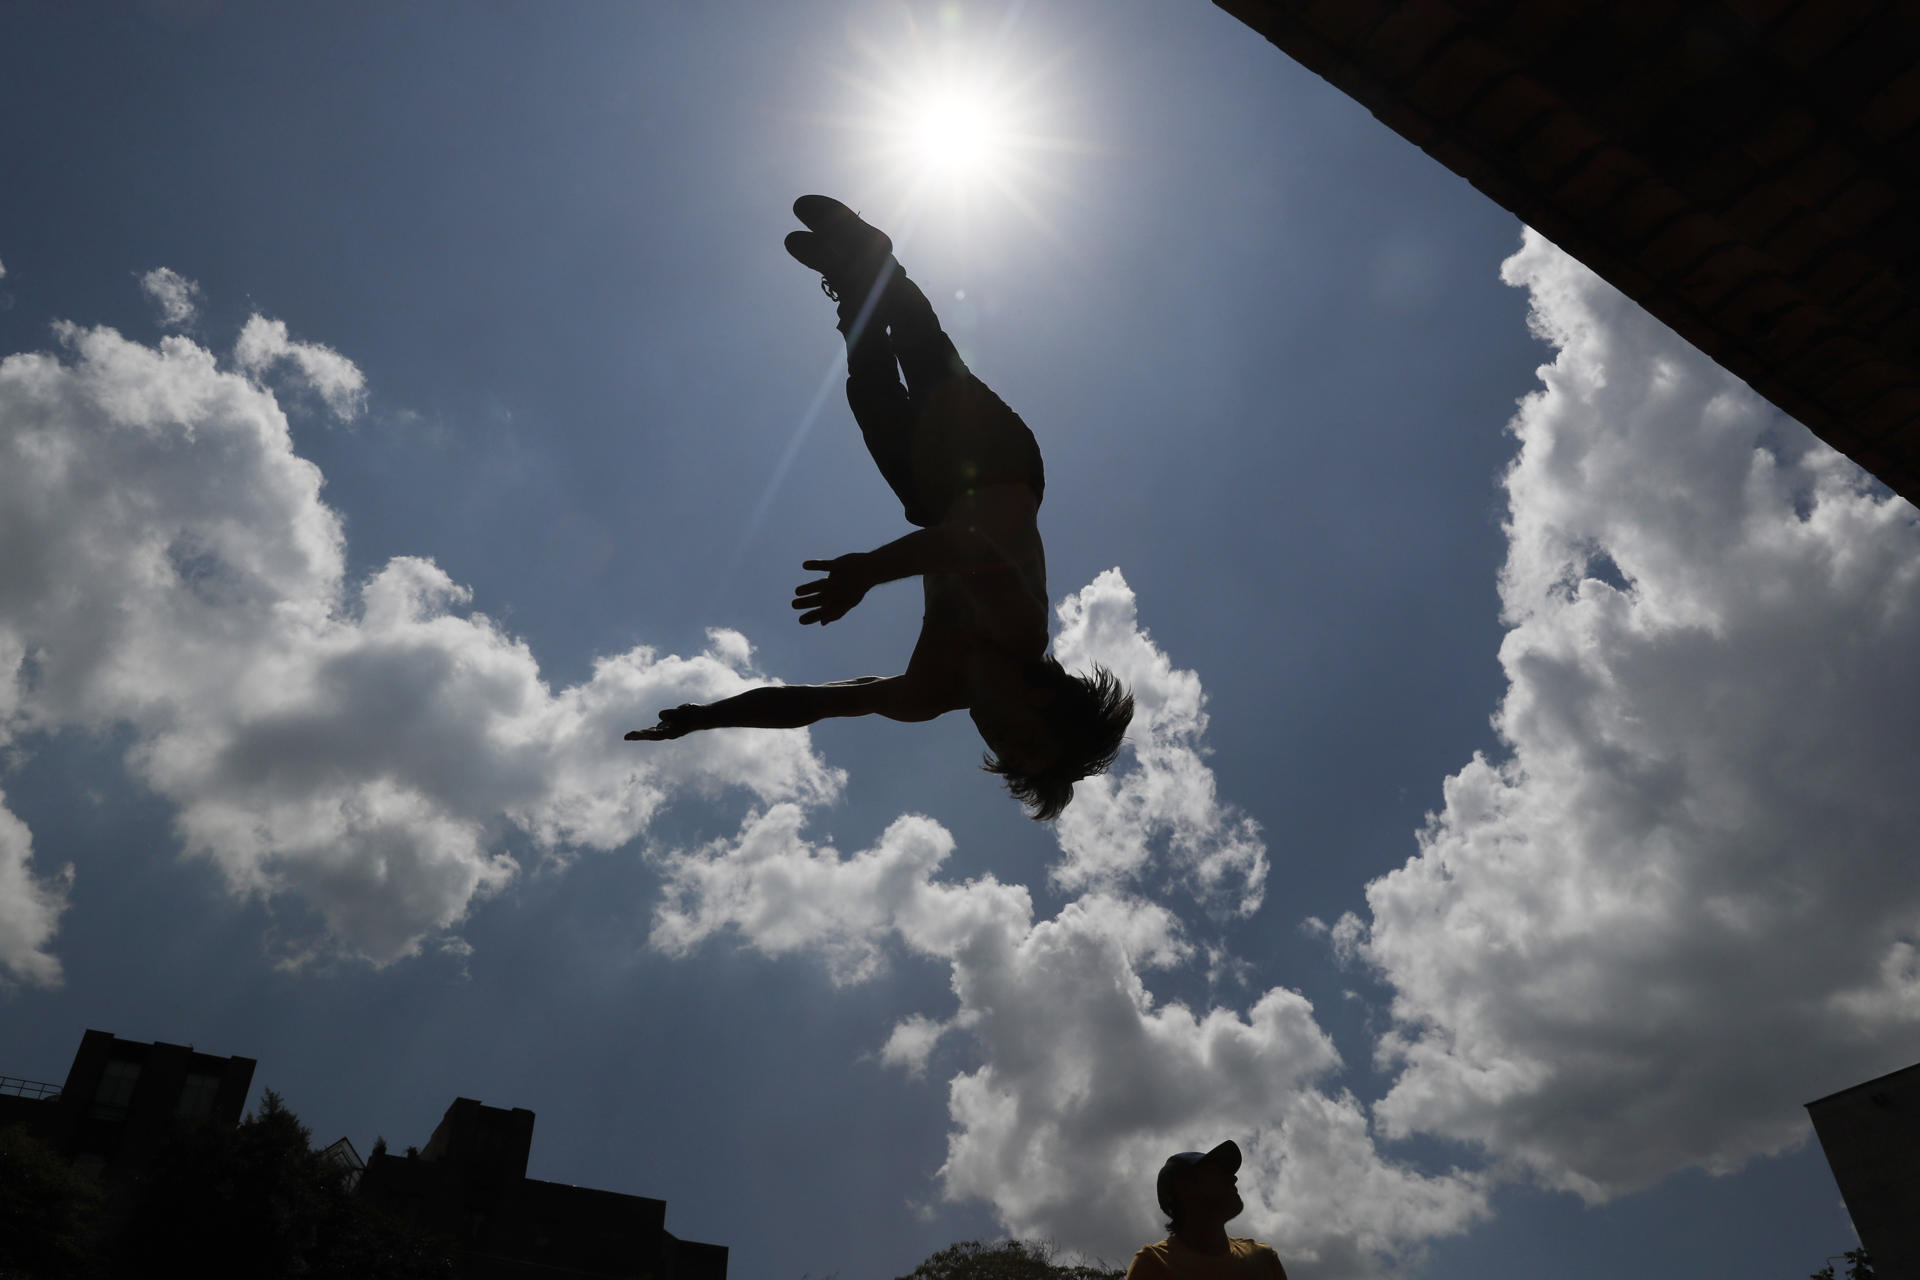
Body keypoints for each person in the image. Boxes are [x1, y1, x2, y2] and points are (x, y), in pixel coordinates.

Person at [628, 195, 1132, 820]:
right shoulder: (1018, 631)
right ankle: (875, 259)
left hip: (932, 499)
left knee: (870, 393)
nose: (999, 740)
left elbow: (814, 704)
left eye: (1007, 755)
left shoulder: (927, 694)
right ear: (1043, 699)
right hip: (999, 465)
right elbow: (966, 551)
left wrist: (708, 717)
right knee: (923, 355)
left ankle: (853, 283)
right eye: (1026, 739)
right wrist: (866, 571)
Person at [1124, 1141, 1288, 1280]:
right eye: (1214, 1172)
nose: (1233, 1178)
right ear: (1185, 1190)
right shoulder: (1153, 1265)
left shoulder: (1264, 1259)